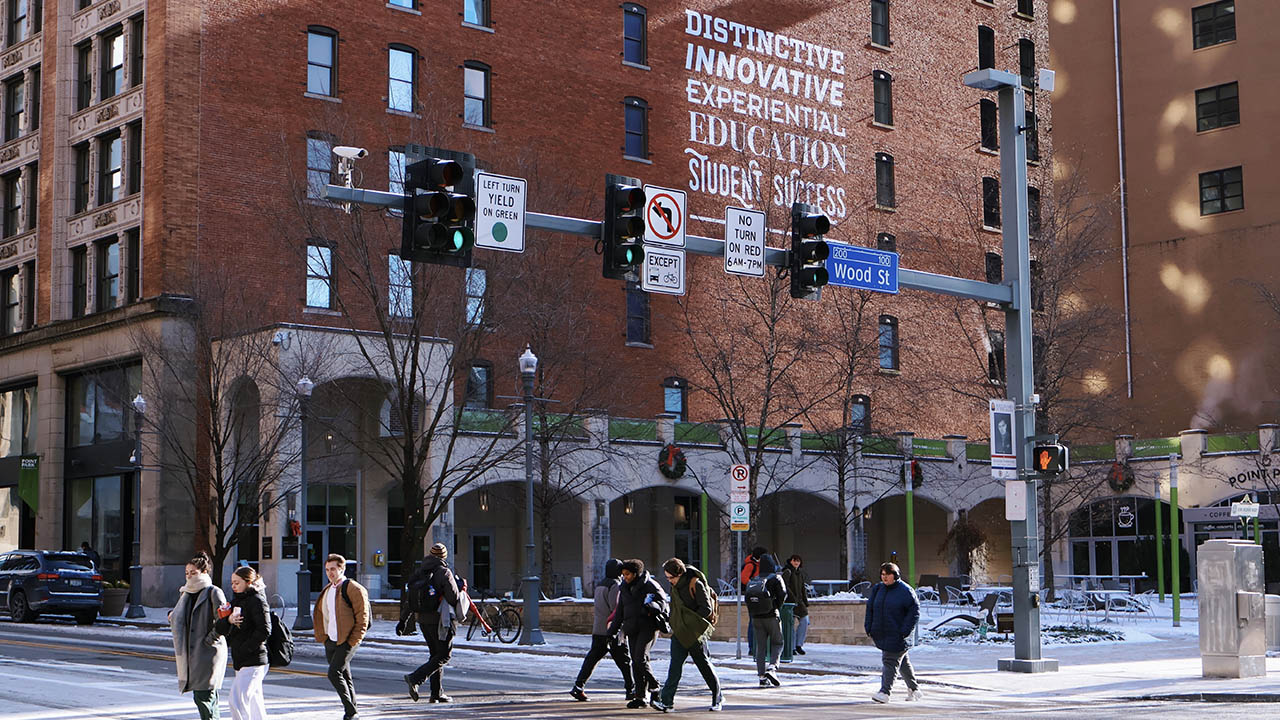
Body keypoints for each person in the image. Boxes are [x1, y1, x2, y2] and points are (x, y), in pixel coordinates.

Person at [651, 558, 722, 713]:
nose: (669, 581)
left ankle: (718, 697)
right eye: (667, 578)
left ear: (680, 574)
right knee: (675, 667)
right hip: (679, 632)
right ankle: (667, 702)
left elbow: (706, 609)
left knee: (704, 665)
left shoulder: (695, 584)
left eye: (671, 577)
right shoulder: (674, 586)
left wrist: (689, 622)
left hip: (695, 633)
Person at [168, 551, 228, 720]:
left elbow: (223, 623)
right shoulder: (186, 593)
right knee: (206, 697)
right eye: (187, 573)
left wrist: (210, 639)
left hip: (208, 653)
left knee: (203, 696)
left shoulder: (213, 592)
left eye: (193, 573)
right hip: (192, 653)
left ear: (204, 572)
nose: (189, 576)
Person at [312, 554, 370, 720]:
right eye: (327, 570)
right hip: (331, 639)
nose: (330, 573)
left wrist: (354, 640)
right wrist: (324, 637)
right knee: (345, 676)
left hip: (347, 639)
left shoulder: (353, 588)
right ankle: (353, 712)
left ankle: (350, 711)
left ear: (342, 569)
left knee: (334, 673)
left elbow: (362, 618)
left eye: (333, 569)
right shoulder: (328, 589)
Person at [403, 543, 461, 703]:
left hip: (423, 620)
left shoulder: (420, 572)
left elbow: (411, 599)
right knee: (444, 655)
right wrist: (460, 587)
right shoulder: (444, 572)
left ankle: (436, 693)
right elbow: (453, 598)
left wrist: (403, 620)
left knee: (435, 655)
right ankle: (415, 678)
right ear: (444, 556)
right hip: (441, 621)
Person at [607, 558, 668, 709]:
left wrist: (651, 607)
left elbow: (663, 604)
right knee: (636, 661)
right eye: (623, 574)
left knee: (640, 658)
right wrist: (611, 633)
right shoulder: (624, 588)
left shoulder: (650, 585)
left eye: (627, 574)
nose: (624, 577)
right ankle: (640, 696)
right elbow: (619, 612)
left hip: (648, 627)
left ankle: (655, 686)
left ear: (636, 573)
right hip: (631, 628)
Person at [570, 558, 634, 702]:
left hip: (598, 628)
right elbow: (616, 609)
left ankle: (578, 686)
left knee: (592, 659)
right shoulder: (615, 586)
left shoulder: (600, 585)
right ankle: (631, 689)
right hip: (611, 630)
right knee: (625, 661)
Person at [215, 566, 271, 720]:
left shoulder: (258, 600)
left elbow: (265, 630)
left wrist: (246, 648)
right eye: (232, 583)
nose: (233, 586)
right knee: (254, 702)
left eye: (237, 583)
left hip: (254, 659)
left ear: (248, 582)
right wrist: (228, 620)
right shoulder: (235, 602)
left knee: (237, 700)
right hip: (241, 659)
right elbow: (220, 628)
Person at [864, 561, 921, 704]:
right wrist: (869, 626)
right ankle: (914, 690)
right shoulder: (878, 589)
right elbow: (870, 608)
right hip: (883, 632)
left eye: (887, 574)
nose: (884, 577)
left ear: (895, 575)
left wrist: (905, 631)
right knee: (902, 663)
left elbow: (914, 611)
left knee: (889, 661)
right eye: (882, 574)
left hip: (898, 634)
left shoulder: (905, 591)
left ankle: (885, 692)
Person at [746, 554, 787, 687]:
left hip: (756, 618)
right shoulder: (776, 578)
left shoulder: (755, 579)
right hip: (771, 616)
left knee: (761, 647)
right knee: (778, 643)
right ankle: (772, 668)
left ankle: (762, 677)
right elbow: (783, 594)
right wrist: (776, 606)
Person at [781, 554, 811, 655]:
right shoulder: (787, 572)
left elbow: (802, 588)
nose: (796, 563)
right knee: (791, 625)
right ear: (791, 561)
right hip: (790, 602)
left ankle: (798, 645)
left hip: (799, 602)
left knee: (804, 621)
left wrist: (805, 602)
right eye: (794, 560)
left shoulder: (800, 573)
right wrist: (792, 597)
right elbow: (785, 586)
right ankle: (792, 646)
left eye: (798, 561)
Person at [739, 547, 767, 653]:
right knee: (753, 620)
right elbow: (744, 578)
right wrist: (755, 585)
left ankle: (756, 646)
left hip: (759, 595)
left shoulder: (759, 565)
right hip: (753, 595)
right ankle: (752, 647)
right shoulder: (751, 565)